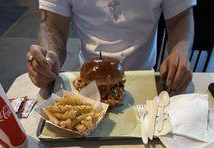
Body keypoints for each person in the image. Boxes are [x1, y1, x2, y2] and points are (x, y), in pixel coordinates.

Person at [27, 0, 195, 92]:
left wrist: (179, 51)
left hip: (145, 77)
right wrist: (48, 56)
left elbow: (181, 16)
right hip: (87, 78)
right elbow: (52, 25)